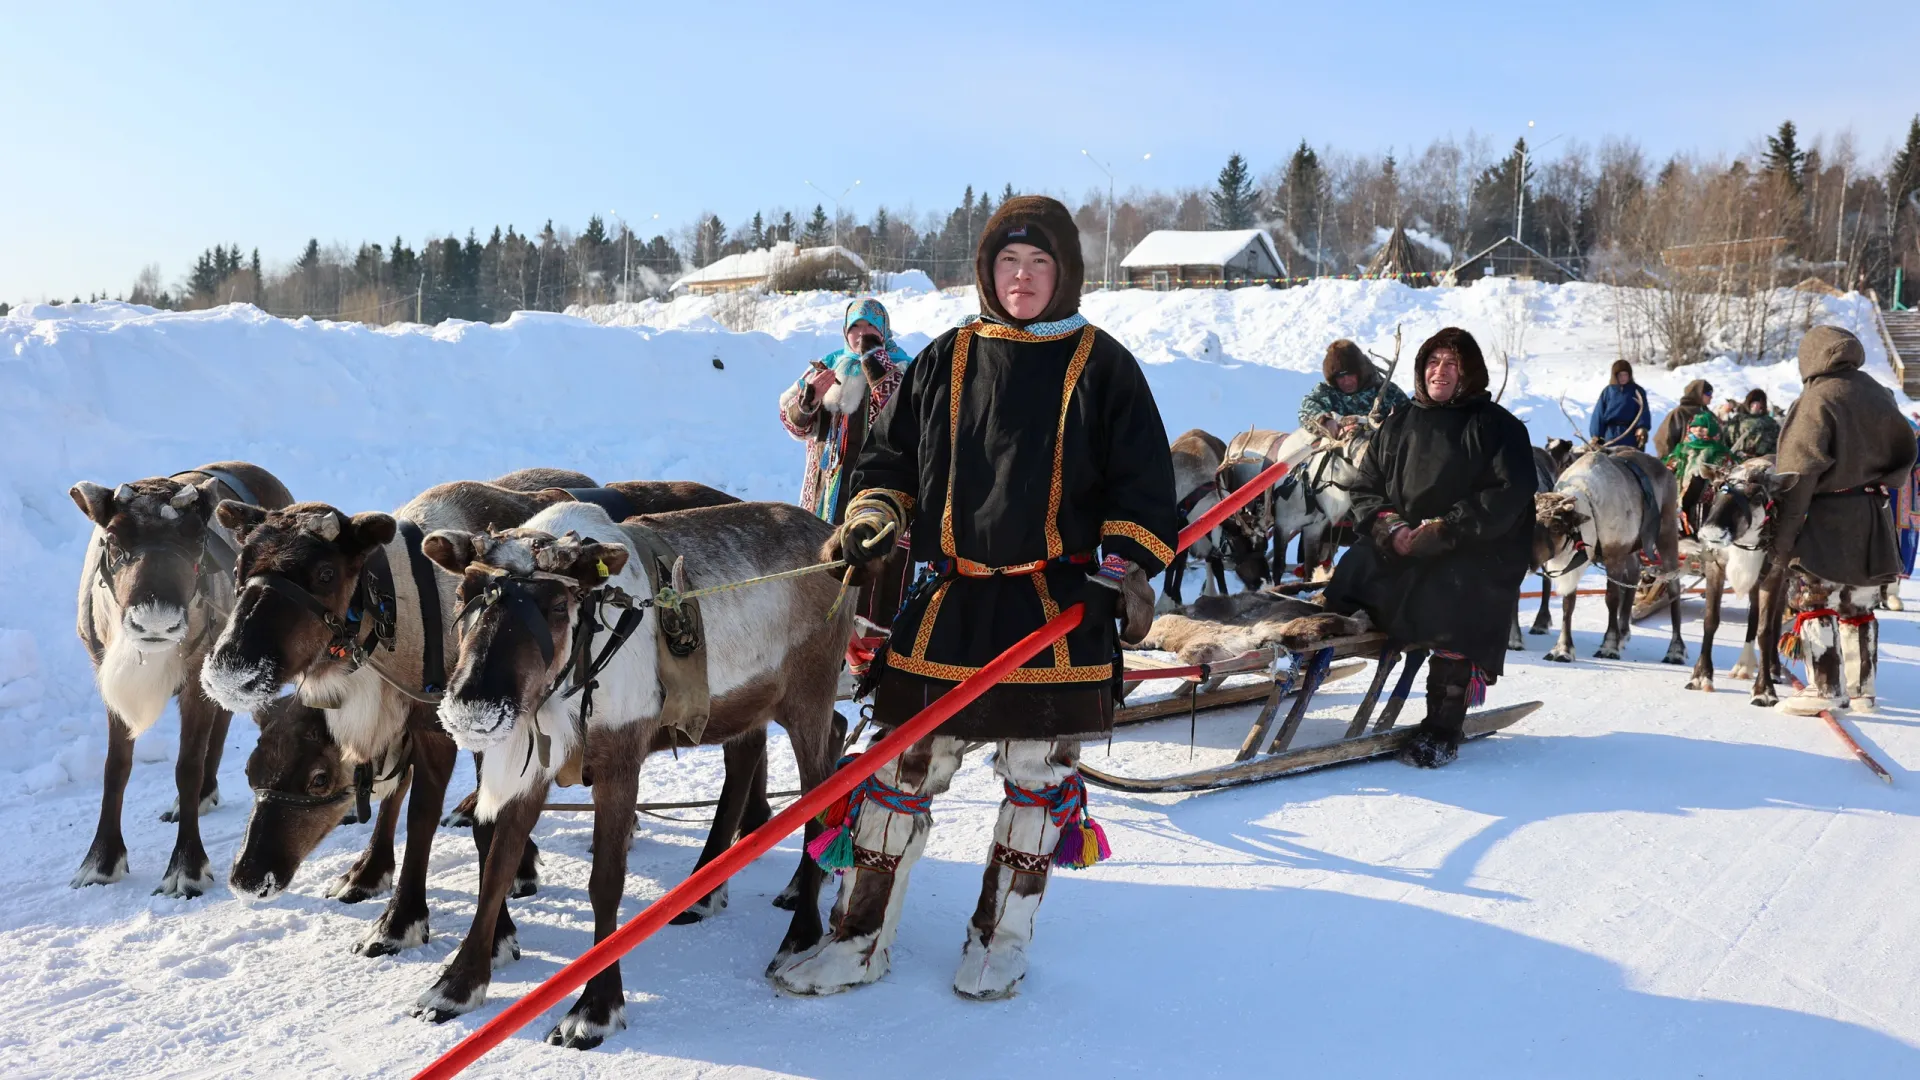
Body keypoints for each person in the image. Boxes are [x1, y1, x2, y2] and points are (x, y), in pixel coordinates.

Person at [771, 195, 1180, 1002]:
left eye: (1038, 265)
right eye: (1007, 264)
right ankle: (859, 939)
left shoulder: (1103, 365)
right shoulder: (948, 358)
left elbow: (1142, 482)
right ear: (988, 273)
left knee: (1035, 787)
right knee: (898, 774)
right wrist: (874, 516)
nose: (1021, 278)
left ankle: (1001, 939)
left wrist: (1123, 564)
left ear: (1063, 274)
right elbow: (887, 462)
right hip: (953, 603)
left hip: (1057, 610)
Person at [1322, 327, 1537, 768]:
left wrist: (1445, 529)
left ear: (1469, 372)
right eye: (1433, 362)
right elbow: (1366, 488)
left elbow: (1506, 495)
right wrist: (1391, 529)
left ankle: (1443, 726)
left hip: (1468, 550)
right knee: (1351, 570)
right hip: (1398, 546)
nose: (1440, 371)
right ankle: (1306, 667)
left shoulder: (1498, 428)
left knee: (1452, 599)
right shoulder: (1400, 422)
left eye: (1452, 364)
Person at [1769, 326, 1917, 715]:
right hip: (1872, 514)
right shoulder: (1877, 393)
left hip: (1828, 518)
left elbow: (1798, 472)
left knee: (1815, 597)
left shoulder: (1819, 398)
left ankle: (1825, 688)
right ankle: (1862, 690)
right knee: (1859, 603)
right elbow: (1907, 449)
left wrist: (1784, 537)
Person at [779, 297, 914, 524]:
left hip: (877, 485)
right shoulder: (828, 366)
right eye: (855, 326)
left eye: (871, 325)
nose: (863, 332)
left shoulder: (904, 368)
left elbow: (910, 421)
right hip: (826, 489)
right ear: (845, 331)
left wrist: (876, 362)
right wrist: (807, 404)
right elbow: (792, 424)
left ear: (884, 330)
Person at [1298, 338, 1411, 435]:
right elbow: (1305, 410)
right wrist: (1324, 421)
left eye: (1350, 375)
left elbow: (1411, 417)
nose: (1346, 381)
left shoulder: (1386, 391)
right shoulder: (1327, 391)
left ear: (1360, 373)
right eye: (1340, 377)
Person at [1588, 359, 1650, 449]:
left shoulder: (1637, 391)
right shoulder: (1608, 392)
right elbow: (1599, 414)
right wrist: (1596, 435)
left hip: (1630, 435)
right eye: (1620, 375)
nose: (1623, 378)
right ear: (1615, 376)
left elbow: (1644, 411)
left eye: (1625, 375)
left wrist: (1642, 427)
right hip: (1611, 436)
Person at [1653, 378, 1714, 458]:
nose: (1711, 397)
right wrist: (1670, 459)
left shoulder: (1707, 413)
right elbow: (1664, 438)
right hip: (1684, 460)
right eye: (1708, 393)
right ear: (1698, 393)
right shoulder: (1680, 412)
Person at [1727, 389, 1780, 460]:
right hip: (1736, 460)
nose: (1755, 405)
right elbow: (1726, 440)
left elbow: (1778, 443)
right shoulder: (1737, 420)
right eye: (1753, 402)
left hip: (1762, 462)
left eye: (1758, 402)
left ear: (1762, 405)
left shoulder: (1771, 423)